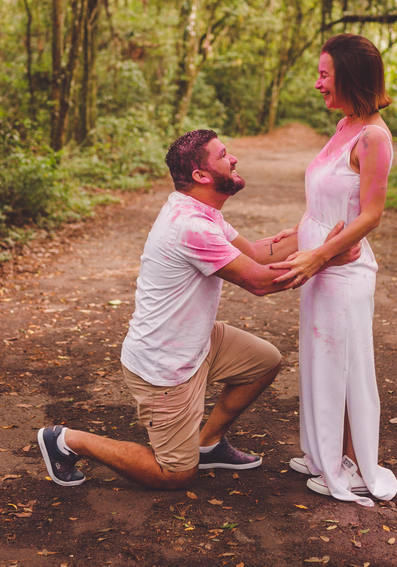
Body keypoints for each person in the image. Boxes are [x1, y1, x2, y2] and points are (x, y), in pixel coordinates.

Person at [36, 129, 358, 491]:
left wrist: (314, 233)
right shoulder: (190, 227)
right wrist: (326, 257)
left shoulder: (201, 210)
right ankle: (66, 440)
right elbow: (260, 281)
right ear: (201, 176)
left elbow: (255, 252)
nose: (233, 158)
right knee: (175, 474)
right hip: (164, 364)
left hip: (197, 340)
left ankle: (208, 444)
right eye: (223, 155)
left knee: (263, 361)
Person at [270, 33, 397, 505]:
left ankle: (351, 463)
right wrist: (298, 234)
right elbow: (330, 197)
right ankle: (326, 452)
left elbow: (370, 214)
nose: (318, 83)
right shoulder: (344, 124)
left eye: (325, 74)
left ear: (350, 76)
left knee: (344, 369)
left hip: (342, 272)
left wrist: (320, 253)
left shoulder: (374, 137)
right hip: (318, 266)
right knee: (321, 364)